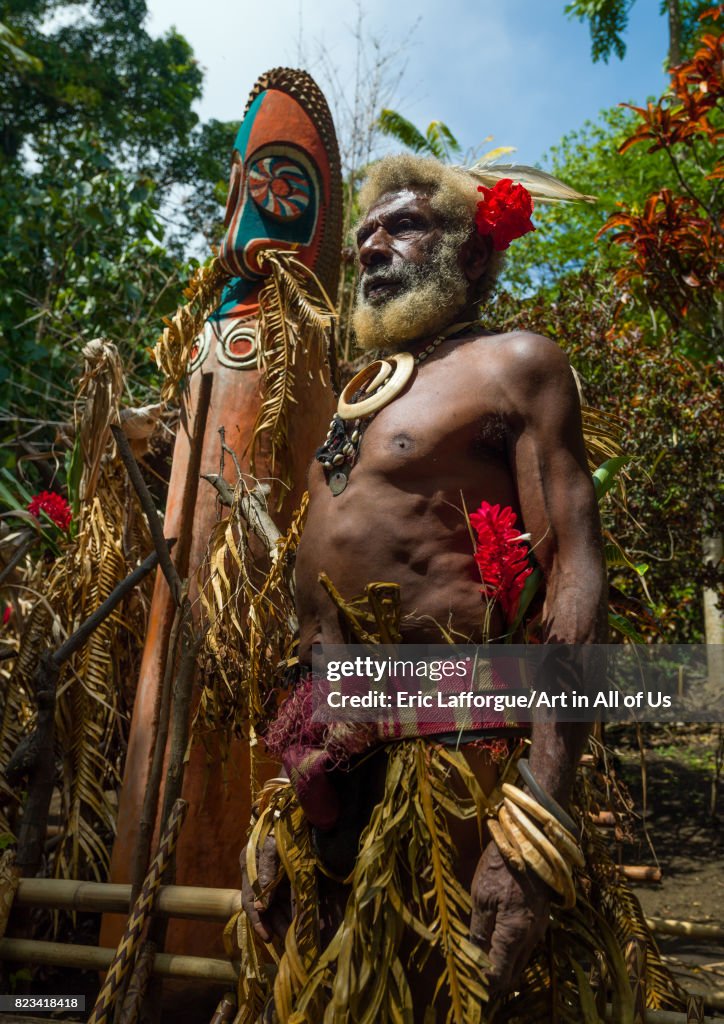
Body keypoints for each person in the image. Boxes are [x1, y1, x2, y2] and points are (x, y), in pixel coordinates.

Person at [240, 154, 608, 1016]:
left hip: (454, 762)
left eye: (402, 226)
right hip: (328, 768)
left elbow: (575, 578)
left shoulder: (517, 364)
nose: (371, 245)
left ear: (474, 257)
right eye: (366, 231)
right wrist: (291, 781)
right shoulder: (354, 396)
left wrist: (535, 823)